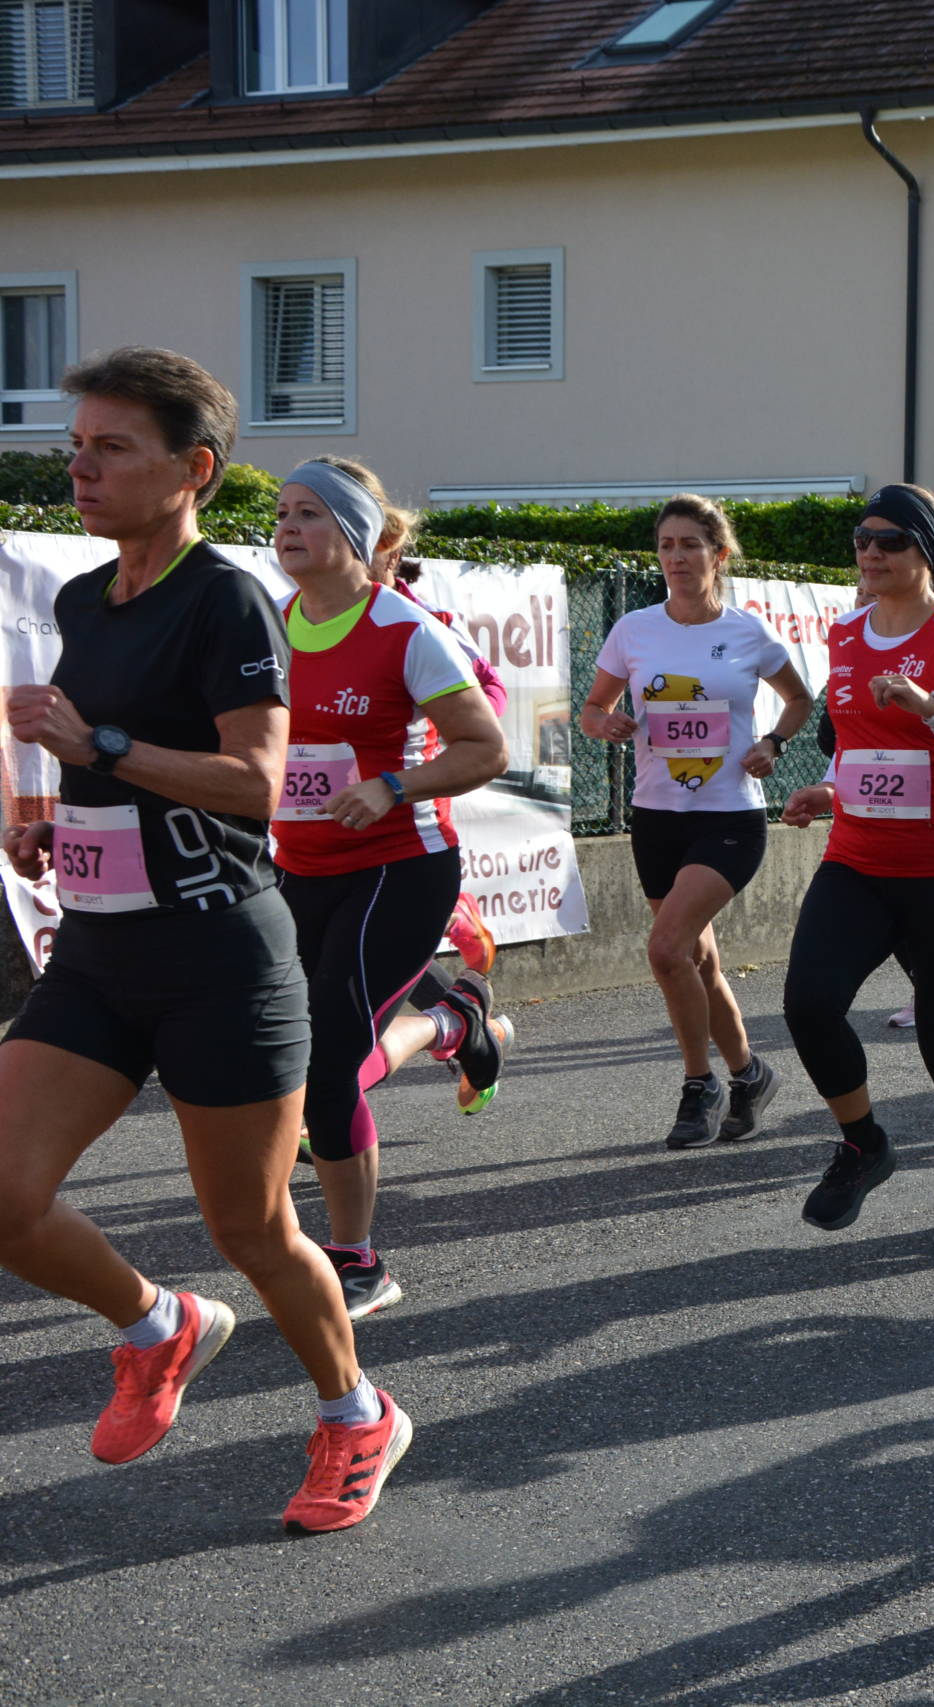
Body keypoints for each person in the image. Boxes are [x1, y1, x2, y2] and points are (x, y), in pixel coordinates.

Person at [0, 347, 406, 1532]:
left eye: (112, 448)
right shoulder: (85, 599)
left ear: (195, 470)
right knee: (5, 1195)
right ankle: (155, 1324)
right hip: (98, 953)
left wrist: (97, 749)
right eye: (76, 447)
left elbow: (254, 783)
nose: (82, 469)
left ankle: (356, 1414)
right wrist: (60, 821)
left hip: (219, 959)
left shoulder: (225, 598)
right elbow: (111, 759)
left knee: (250, 1228)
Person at [269, 458, 508, 1320]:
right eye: (282, 512)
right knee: (275, 1049)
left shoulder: (406, 629)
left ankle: (357, 1259)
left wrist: (393, 786)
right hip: (296, 867)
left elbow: (486, 747)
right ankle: (455, 1020)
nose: (288, 527)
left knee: (332, 1054)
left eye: (309, 513)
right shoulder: (268, 626)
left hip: (398, 868)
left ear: (355, 534)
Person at [778, 485, 934, 1250]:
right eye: (862, 538)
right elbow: (856, 743)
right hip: (859, 861)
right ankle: (864, 1143)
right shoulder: (845, 633)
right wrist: (829, 788)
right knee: (808, 1003)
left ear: (929, 552)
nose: (871, 552)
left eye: (890, 540)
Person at [583, 497, 813, 1148]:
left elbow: (799, 698)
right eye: (666, 545)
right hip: (657, 817)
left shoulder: (748, 632)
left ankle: (698, 1083)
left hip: (730, 818)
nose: (676, 557)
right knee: (699, 959)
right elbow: (591, 709)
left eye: (690, 544)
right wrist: (605, 723)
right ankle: (749, 1073)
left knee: (666, 949)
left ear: (719, 554)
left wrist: (773, 743)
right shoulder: (634, 629)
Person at [361, 524, 514, 1115]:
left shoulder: (422, 622)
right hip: (314, 829)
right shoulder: (290, 615)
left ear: (390, 550)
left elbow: (489, 693)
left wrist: (439, 729)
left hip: (404, 817)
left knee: (358, 978)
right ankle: (464, 1022)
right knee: (355, 966)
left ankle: (317, 1107)